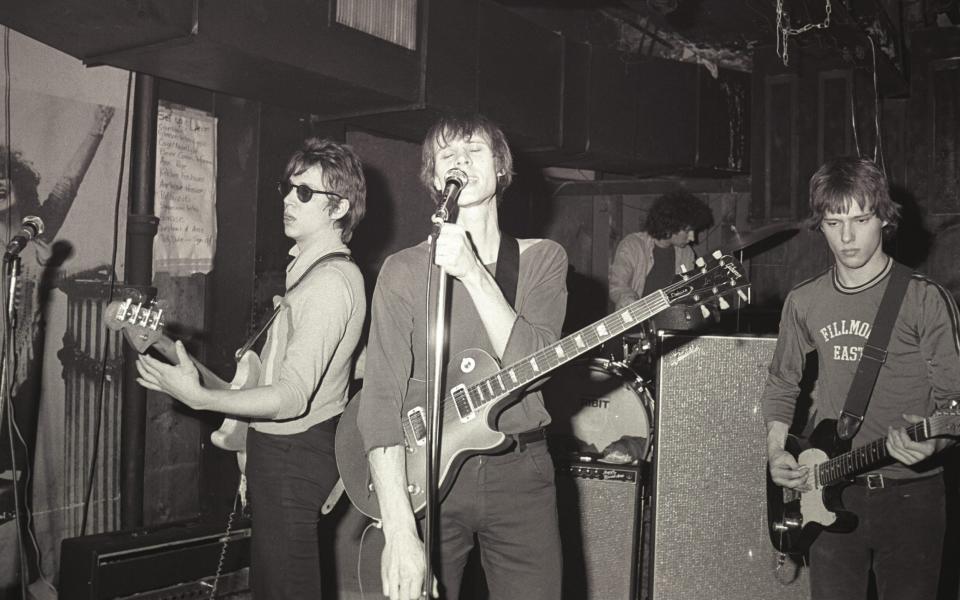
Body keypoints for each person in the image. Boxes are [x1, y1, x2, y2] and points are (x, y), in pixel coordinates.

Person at [135, 137, 367, 599]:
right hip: (279, 451)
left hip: (294, 455)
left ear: (339, 207)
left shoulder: (328, 284)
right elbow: (276, 382)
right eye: (288, 187)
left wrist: (200, 397)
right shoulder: (308, 277)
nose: (287, 199)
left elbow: (292, 397)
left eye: (305, 193)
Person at [356, 113, 568, 600]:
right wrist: (400, 531)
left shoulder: (543, 259)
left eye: (474, 149)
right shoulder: (404, 270)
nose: (460, 160)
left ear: (500, 168)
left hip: (521, 470)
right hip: (429, 473)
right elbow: (382, 397)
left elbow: (535, 364)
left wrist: (473, 273)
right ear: (435, 179)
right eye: (446, 154)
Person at [762, 156, 960, 600]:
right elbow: (782, 383)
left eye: (860, 219)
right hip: (831, 487)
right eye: (834, 223)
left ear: (884, 219)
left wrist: (937, 442)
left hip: (911, 498)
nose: (847, 237)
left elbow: (955, 404)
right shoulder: (805, 300)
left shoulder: (923, 299)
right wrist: (777, 451)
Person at [0, 105, 115, 591]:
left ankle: (17, 579)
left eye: (5, 176)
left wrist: (96, 128)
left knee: (11, 489)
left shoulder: (34, 231)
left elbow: (68, 183)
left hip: (16, 382)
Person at [607, 190, 714, 312]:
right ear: (671, 226)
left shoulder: (687, 253)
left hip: (671, 324)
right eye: (687, 231)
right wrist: (629, 300)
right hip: (635, 326)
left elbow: (687, 293)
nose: (692, 238)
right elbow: (618, 287)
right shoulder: (632, 245)